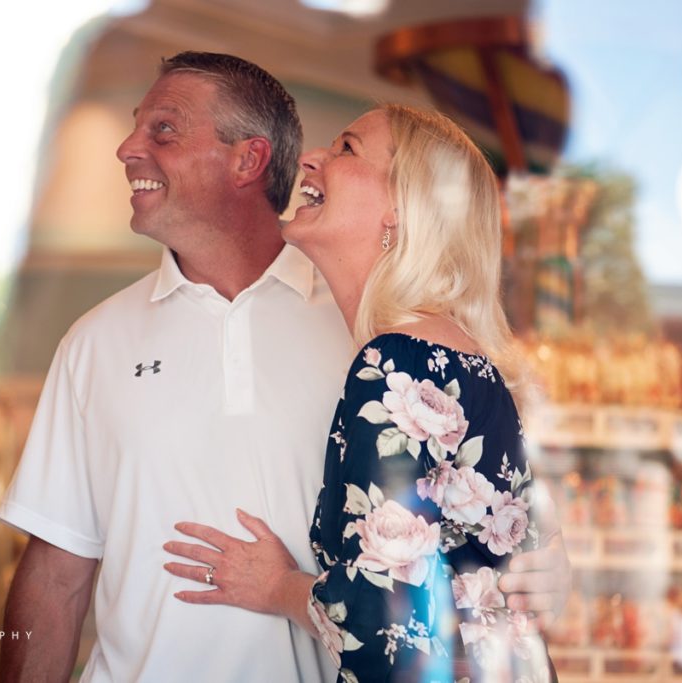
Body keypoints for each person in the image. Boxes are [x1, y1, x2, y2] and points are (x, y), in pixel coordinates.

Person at [0, 53, 568, 682]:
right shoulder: (93, 342)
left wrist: (277, 587)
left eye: (164, 128)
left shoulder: (383, 349)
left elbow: (386, 613)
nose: (128, 148)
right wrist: (534, 564)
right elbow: (54, 576)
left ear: (249, 159)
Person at [163, 105, 557, 681]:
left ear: (403, 205)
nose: (311, 158)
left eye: (347, 148)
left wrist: (277, 587)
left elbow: (381, 623)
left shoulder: (400, 361)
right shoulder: (456, 356)